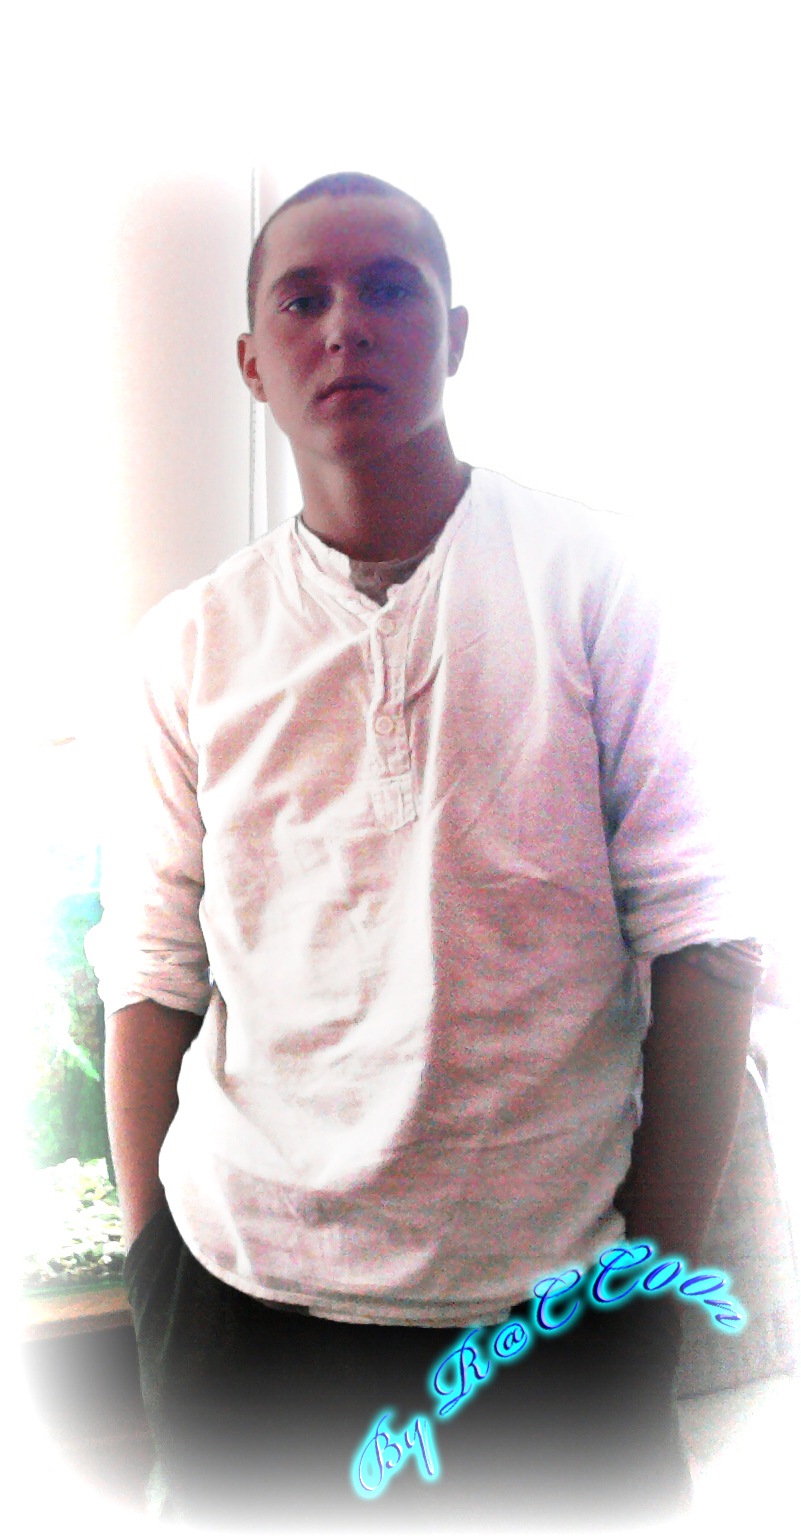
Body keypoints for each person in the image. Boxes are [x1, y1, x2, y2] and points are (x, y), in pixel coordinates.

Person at [89, 172, 762, 1531]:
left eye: (389, 287)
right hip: (241, 1303)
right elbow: (151, 975)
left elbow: (706, 937)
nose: (346, 323)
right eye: (303, 299)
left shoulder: (601, 579)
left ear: (455, 336)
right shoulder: (188, 645)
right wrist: (158, 1273)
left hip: (548, 1308)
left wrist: (644, 1294)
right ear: (252, 363)